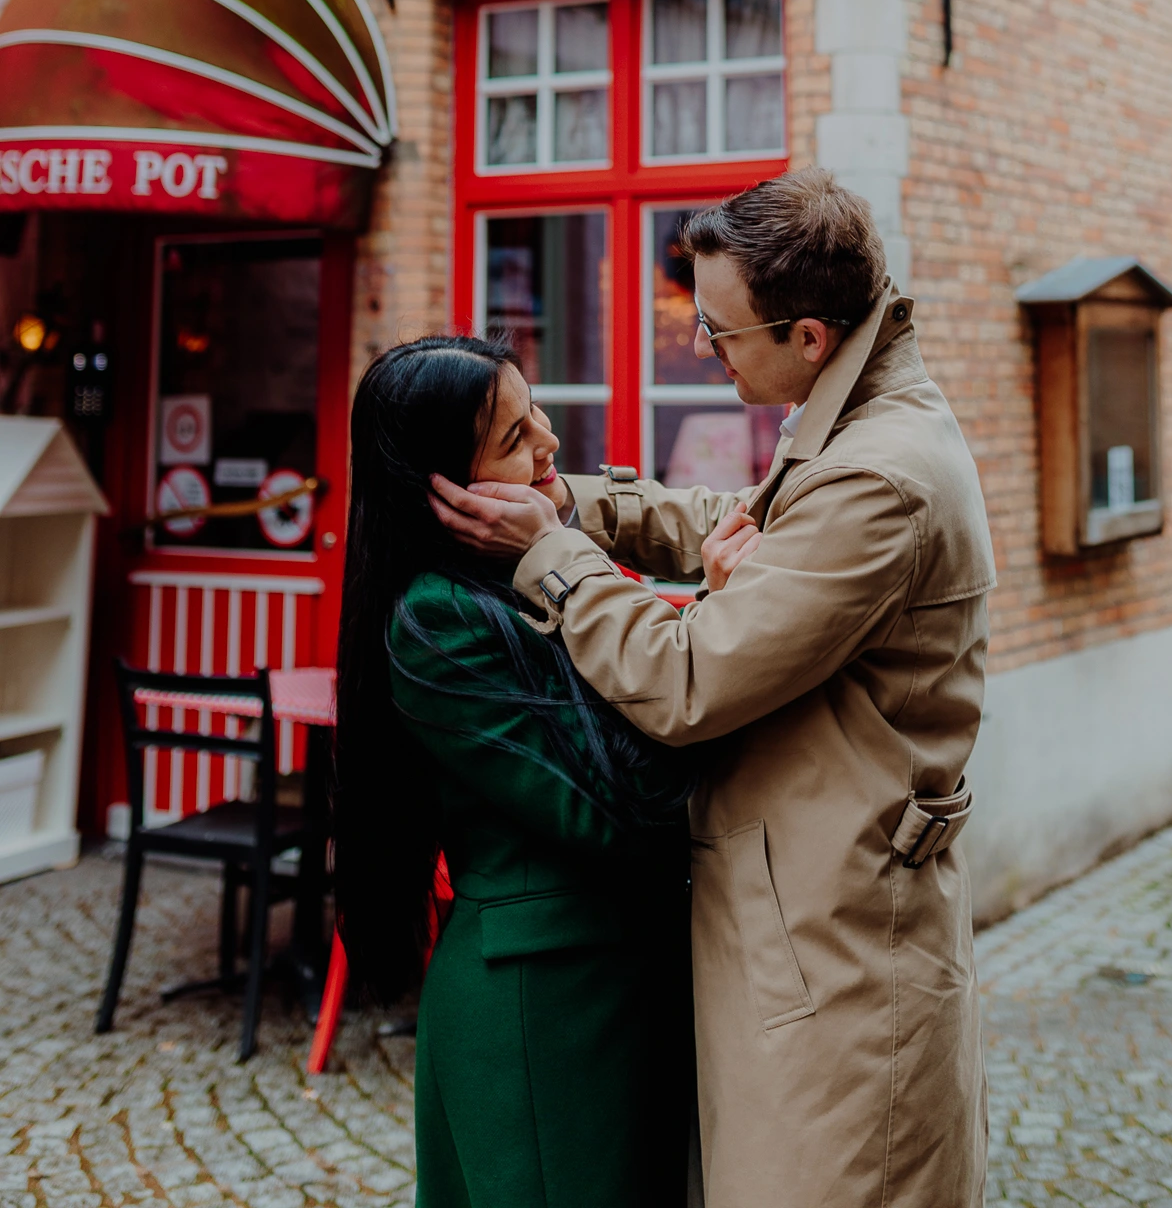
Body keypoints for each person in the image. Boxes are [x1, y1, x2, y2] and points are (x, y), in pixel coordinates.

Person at [431, 169, 997, 1208]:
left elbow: (687, 678)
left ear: (809, 337)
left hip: (840, 958)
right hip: (808, 926)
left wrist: (549, 555)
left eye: (723, 332)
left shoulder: (879, 476)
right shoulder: (858, 422)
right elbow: (734, 522)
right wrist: (580, 504)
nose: (708, 348)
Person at [333, 334, 704, 1208]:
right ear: (443, 485)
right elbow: (625, 805)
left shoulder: (509, 578)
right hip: (545, 1007)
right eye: (514, 436)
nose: (550, 443)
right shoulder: (437, 621)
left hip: (606, 981)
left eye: (536, 409)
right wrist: (705, 649)